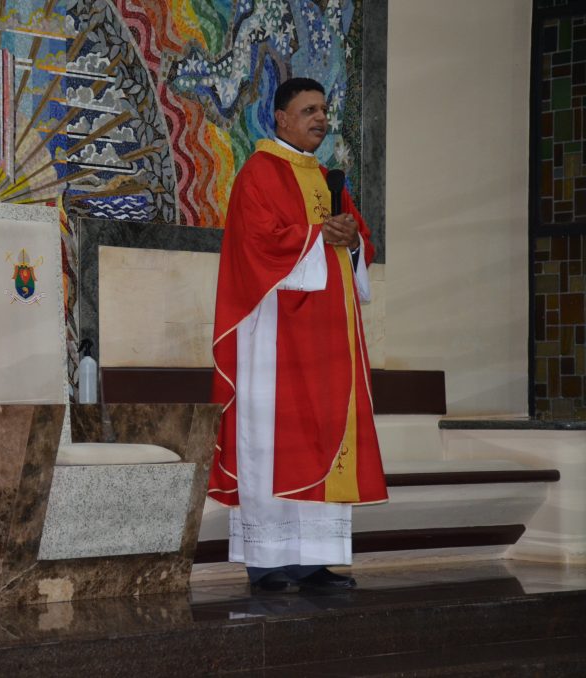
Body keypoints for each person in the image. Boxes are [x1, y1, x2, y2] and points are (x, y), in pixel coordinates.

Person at [209, 77, 388, 593]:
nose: (320, 119)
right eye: (308, 110)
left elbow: (359, 242)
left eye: (324, 110)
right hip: (276, 335)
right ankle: (267, 561)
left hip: (330, 340)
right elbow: (254, 244)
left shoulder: (330, 180)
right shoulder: (259, 173)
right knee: (273, 440)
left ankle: (314, 559)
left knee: (322, 440)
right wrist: (317, 236)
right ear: (280, 118)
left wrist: (351, 242)